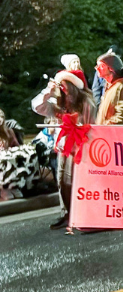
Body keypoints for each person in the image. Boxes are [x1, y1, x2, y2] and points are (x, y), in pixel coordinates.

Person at [31, 70, 96, 231]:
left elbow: (92, 124)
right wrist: (48, 91)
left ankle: (84, 215)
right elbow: (37, 106)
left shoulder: (85, 102)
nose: (62, 87)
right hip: (63, 146)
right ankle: (68, 214)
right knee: (61, 180)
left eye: (64, 84)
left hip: (80, 147)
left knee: (78, 181)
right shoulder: (58, 102)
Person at [94, 51, 123, 125]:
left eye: (101, 66)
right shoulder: (111, 86)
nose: (97, 69)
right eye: (97, 66)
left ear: (111, 68)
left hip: (117, 134)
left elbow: (122, 117)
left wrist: (104, 127)